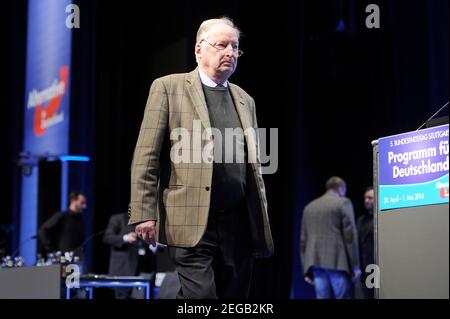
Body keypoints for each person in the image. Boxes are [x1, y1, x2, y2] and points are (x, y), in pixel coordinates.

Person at [128, 17, 274, 299]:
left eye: (235, 47)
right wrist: (144, 212)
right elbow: (146, 155)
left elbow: (252, 166)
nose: (230, 52)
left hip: (238, 224)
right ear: (199, 49)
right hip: (191, 219)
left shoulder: (245, 100)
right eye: (222, 45)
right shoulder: (168, 88)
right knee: (203, 297)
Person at [300, 176, 360, 299]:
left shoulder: (309, 207)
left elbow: (303, 241)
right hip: (338, 262)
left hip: (315, 263)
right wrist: (355, 265)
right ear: (341, 189)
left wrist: (305, 268)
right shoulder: (343, 203)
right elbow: (350, 236)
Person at [103, 212, 156, 299]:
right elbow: (107, 238)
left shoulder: (144, 221)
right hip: (123, 271)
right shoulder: (118, 219)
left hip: (141, 271)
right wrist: (125, 238)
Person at [38, 191, 87, 257]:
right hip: (62, 259)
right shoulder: (62, 216)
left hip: (76, 259)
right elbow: (43, 230)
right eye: (82, 203)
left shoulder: (80, 219)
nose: (84, 206)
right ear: (73, 201)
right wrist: (52, 249)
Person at [357, 186, 375, 299]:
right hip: (363, 268)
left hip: (375, 267)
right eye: (365, 198)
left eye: (370, 198)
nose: (366, 200)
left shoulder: (381, 219)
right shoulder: (360, 220)